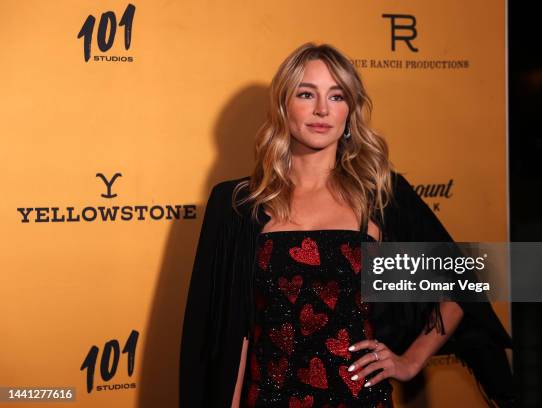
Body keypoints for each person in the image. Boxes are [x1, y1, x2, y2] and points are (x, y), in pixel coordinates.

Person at [180, 43, 514, 407]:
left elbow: (462, 278)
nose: (322, 109)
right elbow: (230, 337)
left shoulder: (380, 195)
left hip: (359, 398)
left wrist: (409, 360)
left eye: (337, 97)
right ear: (282, 105)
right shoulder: (237, 205)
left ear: (349, 111)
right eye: (306, 94)